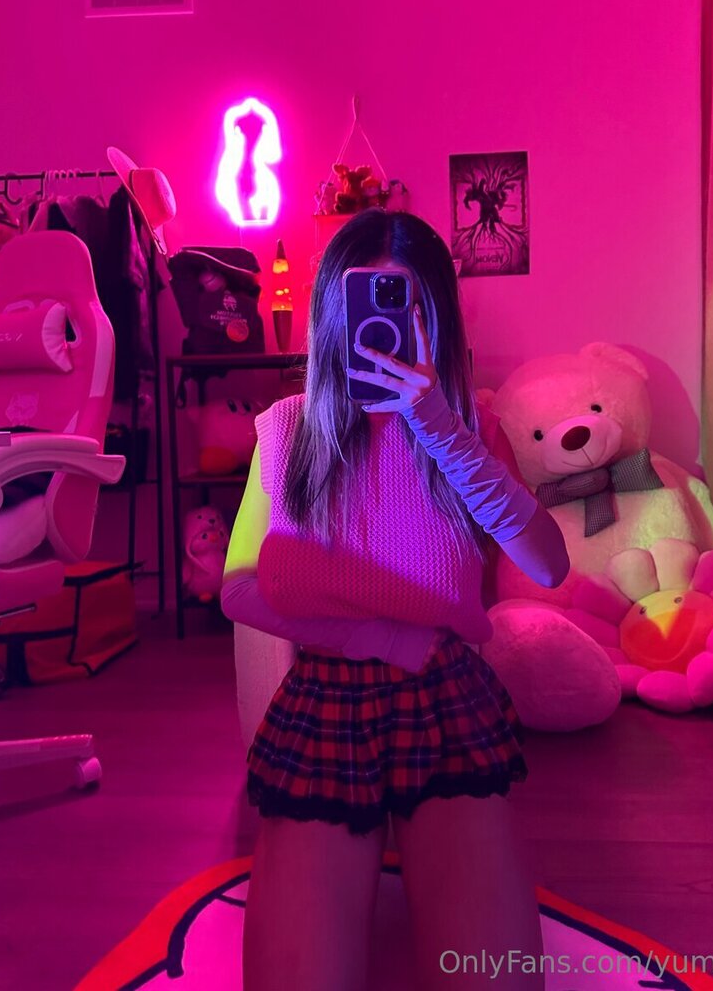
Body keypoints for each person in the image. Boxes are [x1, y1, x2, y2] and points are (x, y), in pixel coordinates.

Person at [221, 209, 569, 991]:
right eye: (361, 305)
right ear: (329, 318)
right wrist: (381, 639)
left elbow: (548, 565)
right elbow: (238, 587)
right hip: (324, 701)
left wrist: (439, 426)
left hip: (443, 701)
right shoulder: (286, 430)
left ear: (435, 319)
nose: (379, 330)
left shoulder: (466, 429)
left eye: (405, 307)